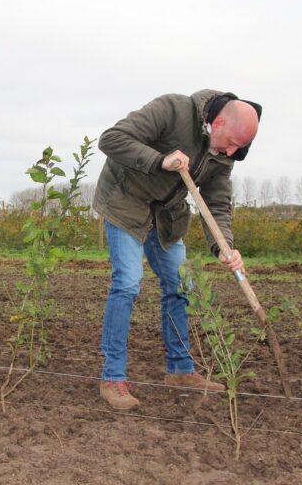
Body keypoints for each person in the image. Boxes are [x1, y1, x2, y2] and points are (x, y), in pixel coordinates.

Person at [93, 90, 261, 410]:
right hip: (124, 203)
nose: (232, 151)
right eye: (232, 143)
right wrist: (161, 160)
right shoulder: (173, 111)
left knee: (182, 285)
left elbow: (218, 204)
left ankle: (180, 370)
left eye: (240, 148)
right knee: (128, 283)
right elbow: (111, 139)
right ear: (219, 121)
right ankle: (113, 377)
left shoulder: (224, 154)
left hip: (166, 216)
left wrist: (225, 246)